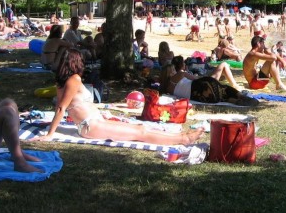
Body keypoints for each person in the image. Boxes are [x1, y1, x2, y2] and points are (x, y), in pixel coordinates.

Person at [34, 49, 205, 144]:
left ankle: (183, 137)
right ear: (75, 63)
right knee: (140, 132)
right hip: (91, 126)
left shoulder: (62, 82)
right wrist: (50, 134)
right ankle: (184, 139)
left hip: (94, 122)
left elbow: (67, 106)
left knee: (139, 128)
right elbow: (61, 108)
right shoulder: (74, 79)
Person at [166, 55, 248, 101]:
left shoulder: (171, 85)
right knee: (224, 68)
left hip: (198, 91)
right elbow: (196, 79)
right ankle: (239, 94)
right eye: (172, 70)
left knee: (223, 92)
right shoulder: (179, 75)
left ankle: (236, 99)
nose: (173, 72)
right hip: (201, 86)